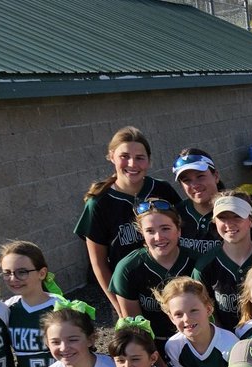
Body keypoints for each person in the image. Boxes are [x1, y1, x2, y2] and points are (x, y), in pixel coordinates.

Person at [75, 127, 182, 313]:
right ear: (112, 156)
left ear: (149, 160)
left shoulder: (162, 190)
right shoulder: (99, 202)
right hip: (129, 295)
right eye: (124, 156)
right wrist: (119, 306)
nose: (132, 163)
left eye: (140, 157)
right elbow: (98, 263)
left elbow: (181, 232)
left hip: (173, 292)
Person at [110, 199, 199, 349]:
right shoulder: (127, 268)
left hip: (195, 340)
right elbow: (136, 329)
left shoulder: (197, 262)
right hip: (152, 345)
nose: (158, 237)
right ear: (141, 233)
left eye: (165, 228)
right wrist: (159, 365)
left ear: (178, 230)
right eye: (150, 231)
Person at [194, 192, 252, 330]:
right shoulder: (205, 266)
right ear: (215, 221)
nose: (229, 224)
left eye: (237, 217)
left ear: (251, 220)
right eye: (222, 218)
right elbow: (201, 311)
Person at [172, 149, 225, 257]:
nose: (194, 185)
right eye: (186, 180)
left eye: (200, 176)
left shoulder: (235, 210)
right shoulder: (176, 215)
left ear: (216, 176)